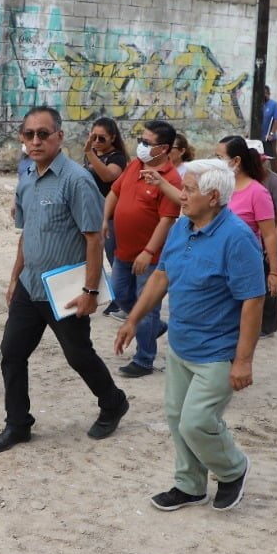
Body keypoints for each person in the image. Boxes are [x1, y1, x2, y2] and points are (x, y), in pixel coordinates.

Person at [115, 160, 264, 512]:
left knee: (197, 422)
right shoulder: (182, 227)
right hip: (181, 345)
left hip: (217, 351)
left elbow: (253, 302)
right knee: (175, 418)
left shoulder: (238, 238)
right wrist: (133, 320)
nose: (181, 195)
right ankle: (190, 484)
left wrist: (243, 361)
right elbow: (161, 276)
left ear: (213, 197)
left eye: (190, 190)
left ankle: (233, 469)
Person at [0, 106, 130, 452]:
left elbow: (94, 238)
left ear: (59, 137)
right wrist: (14, 277)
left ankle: (113, 402)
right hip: (30, 286)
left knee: (78, 355)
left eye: (43, 134)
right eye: (29, 134)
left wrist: (91, 291)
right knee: (12, 353)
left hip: (65, 289)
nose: (35, 140)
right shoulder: (27, 178)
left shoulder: (77, 180)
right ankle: (17, 424)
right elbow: (26, 233)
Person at [104, 120, 181, 377]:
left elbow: (167, 220)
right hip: (122, 251)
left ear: (164, 148)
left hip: (150, 258)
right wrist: (104, 219)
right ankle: (155, 326)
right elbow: (115, 192)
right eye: (141, 140)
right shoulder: (135, 165)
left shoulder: (170, 179)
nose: (141, 146)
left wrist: (148, 251)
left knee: (146, 307)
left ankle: (144, 359)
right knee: (121, 295)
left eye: (147, 143)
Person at [216, 137, 277, 331]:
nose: (216, 162)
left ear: (235, 161)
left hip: (244, 264)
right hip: (219, 262)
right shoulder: (220, 189)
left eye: (220, 157)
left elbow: (269, 235)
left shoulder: (257, 192)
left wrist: (274, 272)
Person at [84, 116, 129, 320]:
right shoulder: (92, 155)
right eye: (94, 137)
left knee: (116, 259)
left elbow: (108, 177)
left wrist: (89, 154)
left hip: (112, 216)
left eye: (102, 138)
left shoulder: (117, 157)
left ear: (112, 138)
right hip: (93, 213)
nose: (97, 141)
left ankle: (121, 300)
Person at [247, 139, 277, 336]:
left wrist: (273, 239)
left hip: (268, 240)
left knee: (267, 285)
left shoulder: (273, 181)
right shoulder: (244, 180)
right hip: (250, 241)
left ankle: (268, 326)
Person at [261, 85, 277, 165]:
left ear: (268, 94)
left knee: (271, 156)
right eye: (263, 93)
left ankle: (275, 173)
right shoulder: (259, 105)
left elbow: (276, 120)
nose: (264, 95)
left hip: (269, 136)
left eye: (266, 93)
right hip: (259, 135)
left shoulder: (274, 104)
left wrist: (271, 134)